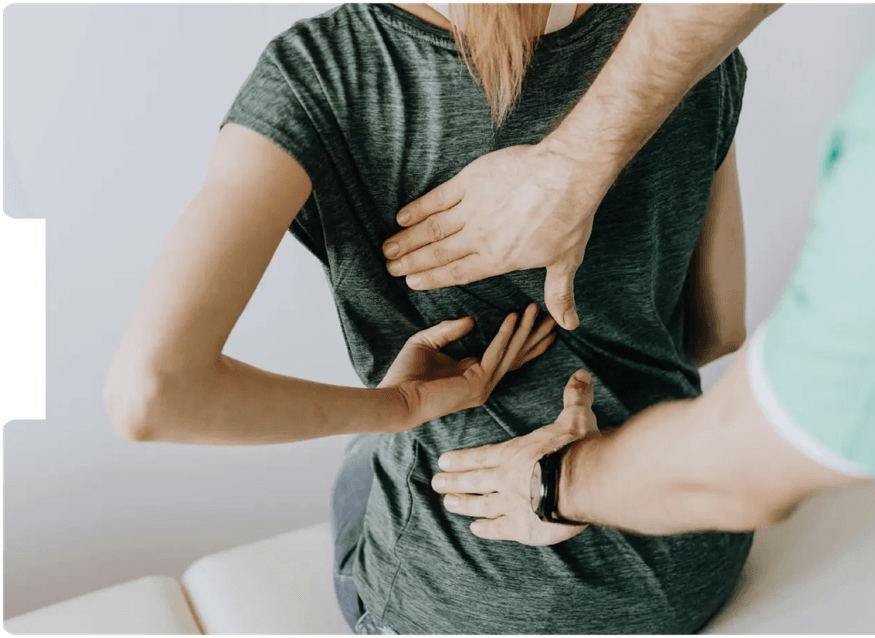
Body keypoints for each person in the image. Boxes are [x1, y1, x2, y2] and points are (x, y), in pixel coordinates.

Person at [415, 2, 875, 635]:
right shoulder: (714, 77)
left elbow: (746, 463)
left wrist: (552, 481)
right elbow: (716, 334)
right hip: (696, 565)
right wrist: (576, 160)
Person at [105, 2, 757, 635]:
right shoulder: (680, 34)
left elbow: (155, 393)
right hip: (688, 559)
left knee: (365, 453)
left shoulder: (322, 72)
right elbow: (717, 331)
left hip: (475, 608)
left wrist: (403, 403)